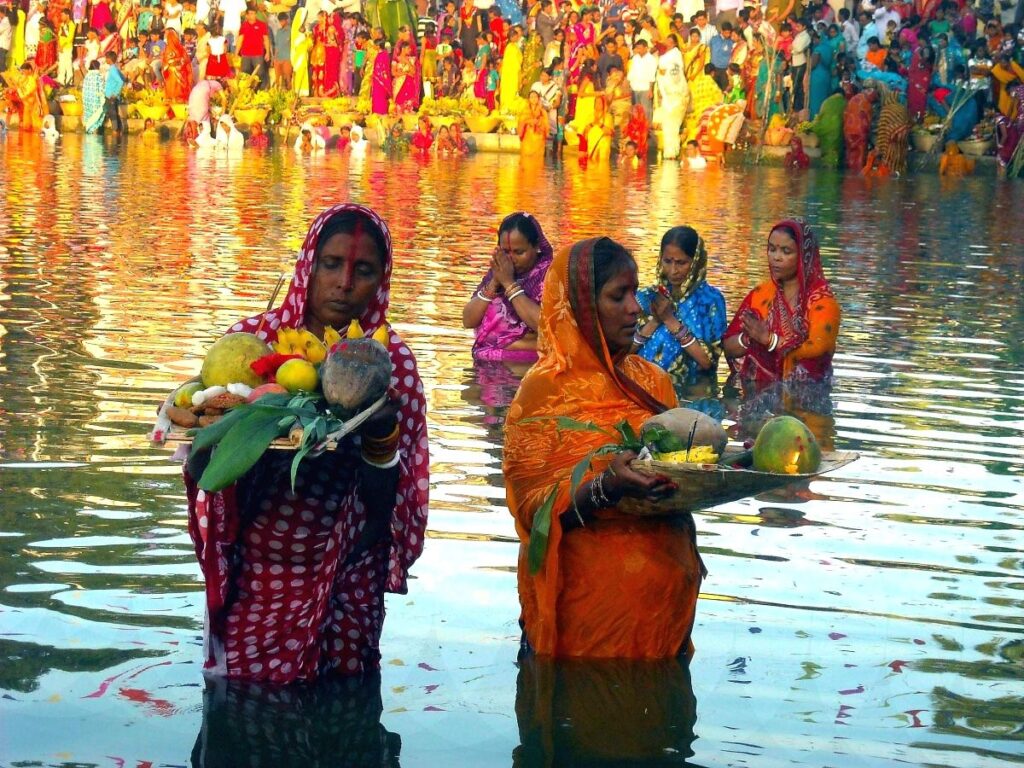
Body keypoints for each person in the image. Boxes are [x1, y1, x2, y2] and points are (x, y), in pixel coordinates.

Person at [183, 204, 429, 684]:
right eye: (331, 264)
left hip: (349, 564)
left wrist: (379, 435)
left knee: (343, 713)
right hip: (259, 565)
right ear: (308, 266)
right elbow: (204, 465)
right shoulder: (252, 344)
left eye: (363, 270)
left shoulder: (389, 361)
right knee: (250, 713)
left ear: (381, 280)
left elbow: (397, 497)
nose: (344, 283)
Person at [503, 237, 704, 660]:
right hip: (583, 626)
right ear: (580, 308)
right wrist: (605, 487)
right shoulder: (542, 394)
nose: (636, 308)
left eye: (635, 293)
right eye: (618, 296)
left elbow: (683, 473)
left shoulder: (653, 382)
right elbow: (531, 510)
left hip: (662, 622)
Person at [723, 219, 840, 385]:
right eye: (772, 249)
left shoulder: (823, 304)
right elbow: (727, 347)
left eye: (786, 251)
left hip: (808, 399)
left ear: (804, 256)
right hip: (756, 394)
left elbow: (816, 354)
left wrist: (769, 340)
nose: (776, 257)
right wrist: (749, 338)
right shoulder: (760, 295)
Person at [634, 226, 727, 387]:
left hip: (688, 394)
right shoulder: (647, 296)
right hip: (641, 385)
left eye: (681, 263)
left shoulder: (710, 301)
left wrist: (670, 320)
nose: (673, 270)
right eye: (667, 261)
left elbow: (707, 362)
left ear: (696, 261)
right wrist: (655, 321)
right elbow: (622, 352)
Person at [463, 212, 553, 362]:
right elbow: (468, 321)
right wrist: (494, 283)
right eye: (505, 252)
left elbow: (547, 327)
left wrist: (509, 284)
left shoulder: (550, 276)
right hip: (485, 365)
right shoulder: (498, 272)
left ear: (536, 245)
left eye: (519, 252)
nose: (511, 259)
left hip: (527, 368)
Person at [656, 33, 688, 159]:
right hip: (666, 93)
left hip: (675, 92)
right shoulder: (665, 55)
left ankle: (673, 152)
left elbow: (676, 71)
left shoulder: (676, 54)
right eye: (667, 40)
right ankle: (668, 152)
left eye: (670, 41)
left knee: (673, 124)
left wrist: (665, 73)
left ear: (674, 43)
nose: (668, 42)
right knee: (667, 125)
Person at [237, 7, 270, 89]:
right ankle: (246, 92)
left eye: (254, 14)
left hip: (258, 54)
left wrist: (268, 52)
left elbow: (266, 39)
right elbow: (240, 39)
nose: (253, 15)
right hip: (245, 54)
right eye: (251, 14)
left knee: (260, 74)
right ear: (247, 15)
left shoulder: (262, 25)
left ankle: (261, 92)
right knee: (245, 75)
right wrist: (236, 53)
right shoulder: (244, 26)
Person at [163, 28, 193, 102]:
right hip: (181, 71)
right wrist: (179, 64)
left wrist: (172, 63)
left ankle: (172, 100)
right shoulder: (181, 48)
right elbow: (186, 60)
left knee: (172, 87)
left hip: (171, 71)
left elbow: (165, 62)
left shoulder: (167, 48)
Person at [102, 50, 126, 134]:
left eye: (106, 58)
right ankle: (119, 130)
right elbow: (123, 78)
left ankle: (115, 131)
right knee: (113, 113)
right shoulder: (115, 68)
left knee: (112, 114)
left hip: (111, 96)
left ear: (109, 59)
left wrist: (115, 93)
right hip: (110, 95)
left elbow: (120, 81)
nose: (105, 60)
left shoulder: (113, 69)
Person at [518, 89, 549, 155]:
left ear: (538, 99)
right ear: (529, 99)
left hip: (539, 139)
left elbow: (546, 125)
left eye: (535, 97)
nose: (534, 99)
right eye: (532, 97)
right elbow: (521, 121)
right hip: (527, 138)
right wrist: (529, 121)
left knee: (538, 160)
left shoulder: (542, 111)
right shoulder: (525, 110)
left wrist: (539, 122)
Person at [81, 59, 105, 133]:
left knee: (89, 116)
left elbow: (84, 89)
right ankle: (94, 132)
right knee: (96, 117)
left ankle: (88, 131)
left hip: (87, 100)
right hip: (95, 101)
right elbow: (102, 89)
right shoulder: (99, 76)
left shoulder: (87, 76)